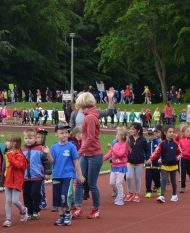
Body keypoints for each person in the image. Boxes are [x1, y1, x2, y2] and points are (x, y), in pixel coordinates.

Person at [72, 90, 116, 219]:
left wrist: (79, 152)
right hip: (86, 154)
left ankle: (96, 208)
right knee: (80, 180)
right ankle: (78, 207)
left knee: (91, 183)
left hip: (94, 154)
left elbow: (90, 138)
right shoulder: (89, 114)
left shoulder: (90, 117)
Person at [48, 124, 83, 225]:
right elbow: (52, 161)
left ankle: (68, 214)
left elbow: (76, 161)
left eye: (66, 133)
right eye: (61, 133)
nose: (64, 135)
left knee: (66, 196)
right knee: (58, 197)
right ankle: (61, 216)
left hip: (68, 176)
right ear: (56, 135)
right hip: (57, 175)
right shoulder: (54, 147)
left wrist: (80, 175)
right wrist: (47, 154)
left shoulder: (71, 146)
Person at [146, 126, 181, 203]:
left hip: (173, 165)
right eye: (170, 132)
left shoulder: (176, 143)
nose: (172, 133)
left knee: (173, 181)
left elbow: (180, 153)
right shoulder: (162, 144)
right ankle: (162, 195)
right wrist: (150, 159)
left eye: (173, 132)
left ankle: (174, 195)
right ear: (165, 133)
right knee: (163, 180)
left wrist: (176, 158)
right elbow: (156, 152)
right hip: (164, 165)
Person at [2, 134, 30, 226]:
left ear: (13, 144)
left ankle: (23, 210)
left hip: (17, 180)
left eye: (8, 141)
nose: (6, 143)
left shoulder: (19, 155)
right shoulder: (8, 153)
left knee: (14, 200)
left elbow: (17, 165)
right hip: (9, 179)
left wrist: (9, 156)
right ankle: (8, 219)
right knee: (8, 200)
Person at [104, 127, 129, 206]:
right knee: (112, 183)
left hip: (121, 166)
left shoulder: (124, 145)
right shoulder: (115, 144)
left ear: (122, 136)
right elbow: (110, 153)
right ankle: (119, 194)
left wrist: (112, 148)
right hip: (114, 166)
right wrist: (103, 158)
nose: (116, 136)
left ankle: (120, 198)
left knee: (118, 183)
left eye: (117, 135)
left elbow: (120, 154)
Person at [126, 122, 148, 203]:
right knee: (128, 177)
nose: (130, 130)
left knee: (137, 178)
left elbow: (147, 149)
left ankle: (137, 193)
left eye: (133, 129)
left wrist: (148, 158)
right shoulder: (128, 138)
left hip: (139, 162)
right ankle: (130, 192)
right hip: (129, 161)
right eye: (130, 129)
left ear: (138, 130)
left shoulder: (142, 139)